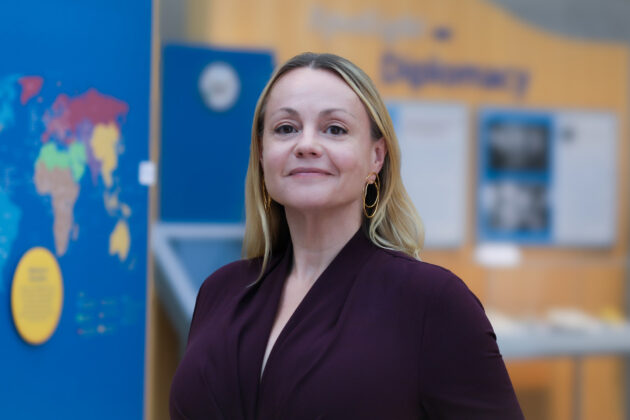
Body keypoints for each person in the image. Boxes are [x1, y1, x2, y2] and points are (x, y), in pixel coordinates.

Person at [169, 52, 524, 419]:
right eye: (285, 128)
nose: (306, 144)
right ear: (262, 154)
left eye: (334, 129)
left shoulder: (433, 303)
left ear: (376, 157)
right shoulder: (220, 291)